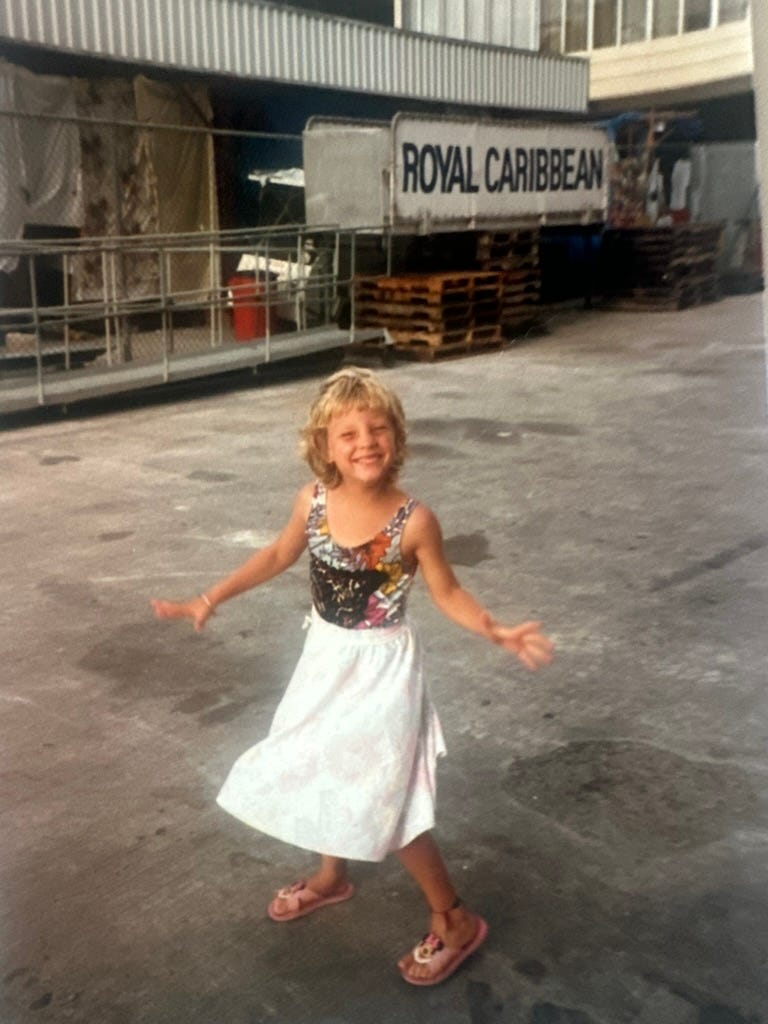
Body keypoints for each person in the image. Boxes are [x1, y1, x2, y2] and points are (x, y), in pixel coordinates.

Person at [151, 367, 553, 986]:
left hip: (383, 668)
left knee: (382, 796)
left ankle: (454, 920)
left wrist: (492, 628)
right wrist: (211, 596)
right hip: (326, 657)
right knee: (321, 760)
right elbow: (277, 554)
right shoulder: (312, 501)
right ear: (324, 446)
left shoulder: (415, 521)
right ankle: (332, 877)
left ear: (397, 437)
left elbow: (447, 592)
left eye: (378, 428)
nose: (365, 441)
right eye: (348, 433)